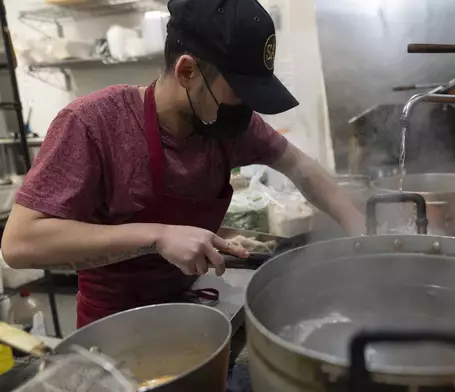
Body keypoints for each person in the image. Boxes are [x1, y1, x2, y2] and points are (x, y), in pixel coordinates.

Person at [1, 0, 364, 327]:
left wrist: (359, 228)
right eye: (238, 95)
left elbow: (300, 166)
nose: (245, 111)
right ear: (187, 71)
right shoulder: (93, 124)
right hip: (115, 327)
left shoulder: (229, 124)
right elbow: (19, 244)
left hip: (191, 308)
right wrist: (158, 235)